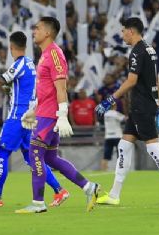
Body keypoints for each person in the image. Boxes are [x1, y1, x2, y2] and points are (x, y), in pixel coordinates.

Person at [0, 31, 69, 209]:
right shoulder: (30, 63)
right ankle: (59, 190)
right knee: (32, 159)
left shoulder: (19, 64)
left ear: (11, 47)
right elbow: (19, 87)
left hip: (17, 118)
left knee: (2, 154)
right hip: (29, 118)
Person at [95, 17, 159, 206]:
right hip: (143, 106)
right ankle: (114, 195)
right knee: (124, 145)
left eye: (123, 31)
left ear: (131, 31)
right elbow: (158, 80)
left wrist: (111, 99)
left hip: (141, 106)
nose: (122, 35)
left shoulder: (137, 51)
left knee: (153, 147)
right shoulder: (150, 49)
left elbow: (131, 81)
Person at [15, 17, 100, 214]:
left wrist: (63, 115)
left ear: (47, 33)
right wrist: (33, 110)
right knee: (51, 158)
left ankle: (38, 203)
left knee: (34, 153)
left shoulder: (54, 54)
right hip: (44, 113)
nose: (33, 31)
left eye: (37, 28)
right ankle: (89, 187)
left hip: (50, 116)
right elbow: (46, 90)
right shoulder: (45, 55)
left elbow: (61, 87)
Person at [101, 105, 126, 171]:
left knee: (106, 156)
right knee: (120, 155)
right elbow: (124, 118)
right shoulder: (116, 113)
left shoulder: (105, 114)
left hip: (108, 137)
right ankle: (120, 169)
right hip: (117, 136)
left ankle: (104, 170)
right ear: (114, 106)